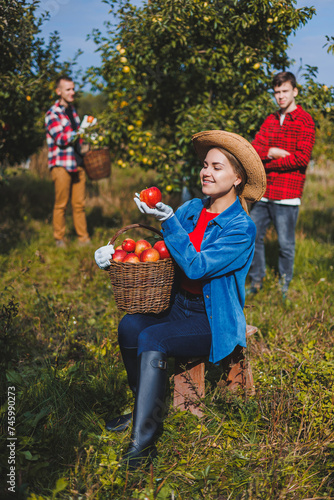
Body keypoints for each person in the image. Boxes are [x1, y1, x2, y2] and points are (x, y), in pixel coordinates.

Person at [94, 130, 266, 469]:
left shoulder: (240, 228)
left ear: (237, 178)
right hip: (176, 306)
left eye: (217, 167)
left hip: (211, 318)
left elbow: (197, 266)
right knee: (130, 326)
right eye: (205, 165)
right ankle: (140, 409)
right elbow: (162, 251)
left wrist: (169, 221)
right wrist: (114, 256)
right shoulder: (190, 209)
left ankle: (143, 443)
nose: (206, 172)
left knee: (153, 336)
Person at [248, 71, 315, 297]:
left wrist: (267, 163)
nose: (280, 96)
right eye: (277, 92)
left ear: (295, 91)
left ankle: (284, 286)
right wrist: (273, 153)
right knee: (252, 235)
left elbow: (301, 158)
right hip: (264, 192)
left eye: (285, 91)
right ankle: (257, 281)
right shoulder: (270, 120)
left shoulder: (305, 121)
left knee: (286, 244)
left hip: (287, 194)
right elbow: (254, 149)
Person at [45, 75, 94, 247]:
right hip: (61, 165)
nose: (72, 92)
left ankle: (83, 238)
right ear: (59, 92)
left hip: (77, 163)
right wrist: (81, 131)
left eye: (73, 88)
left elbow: (77, 138)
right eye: (68, 89)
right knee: (61, 204)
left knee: (79, 204)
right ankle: (59, 238)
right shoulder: (52, 113)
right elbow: (61, 138)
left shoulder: (72, 111)